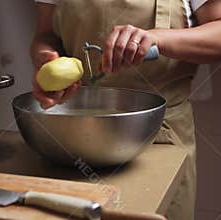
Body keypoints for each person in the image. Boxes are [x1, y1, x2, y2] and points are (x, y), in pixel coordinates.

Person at [30, 0, 221, 219]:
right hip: (74, 139)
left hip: (161, 139)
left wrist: (159, 38)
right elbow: (45, 36)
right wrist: (45, 58)